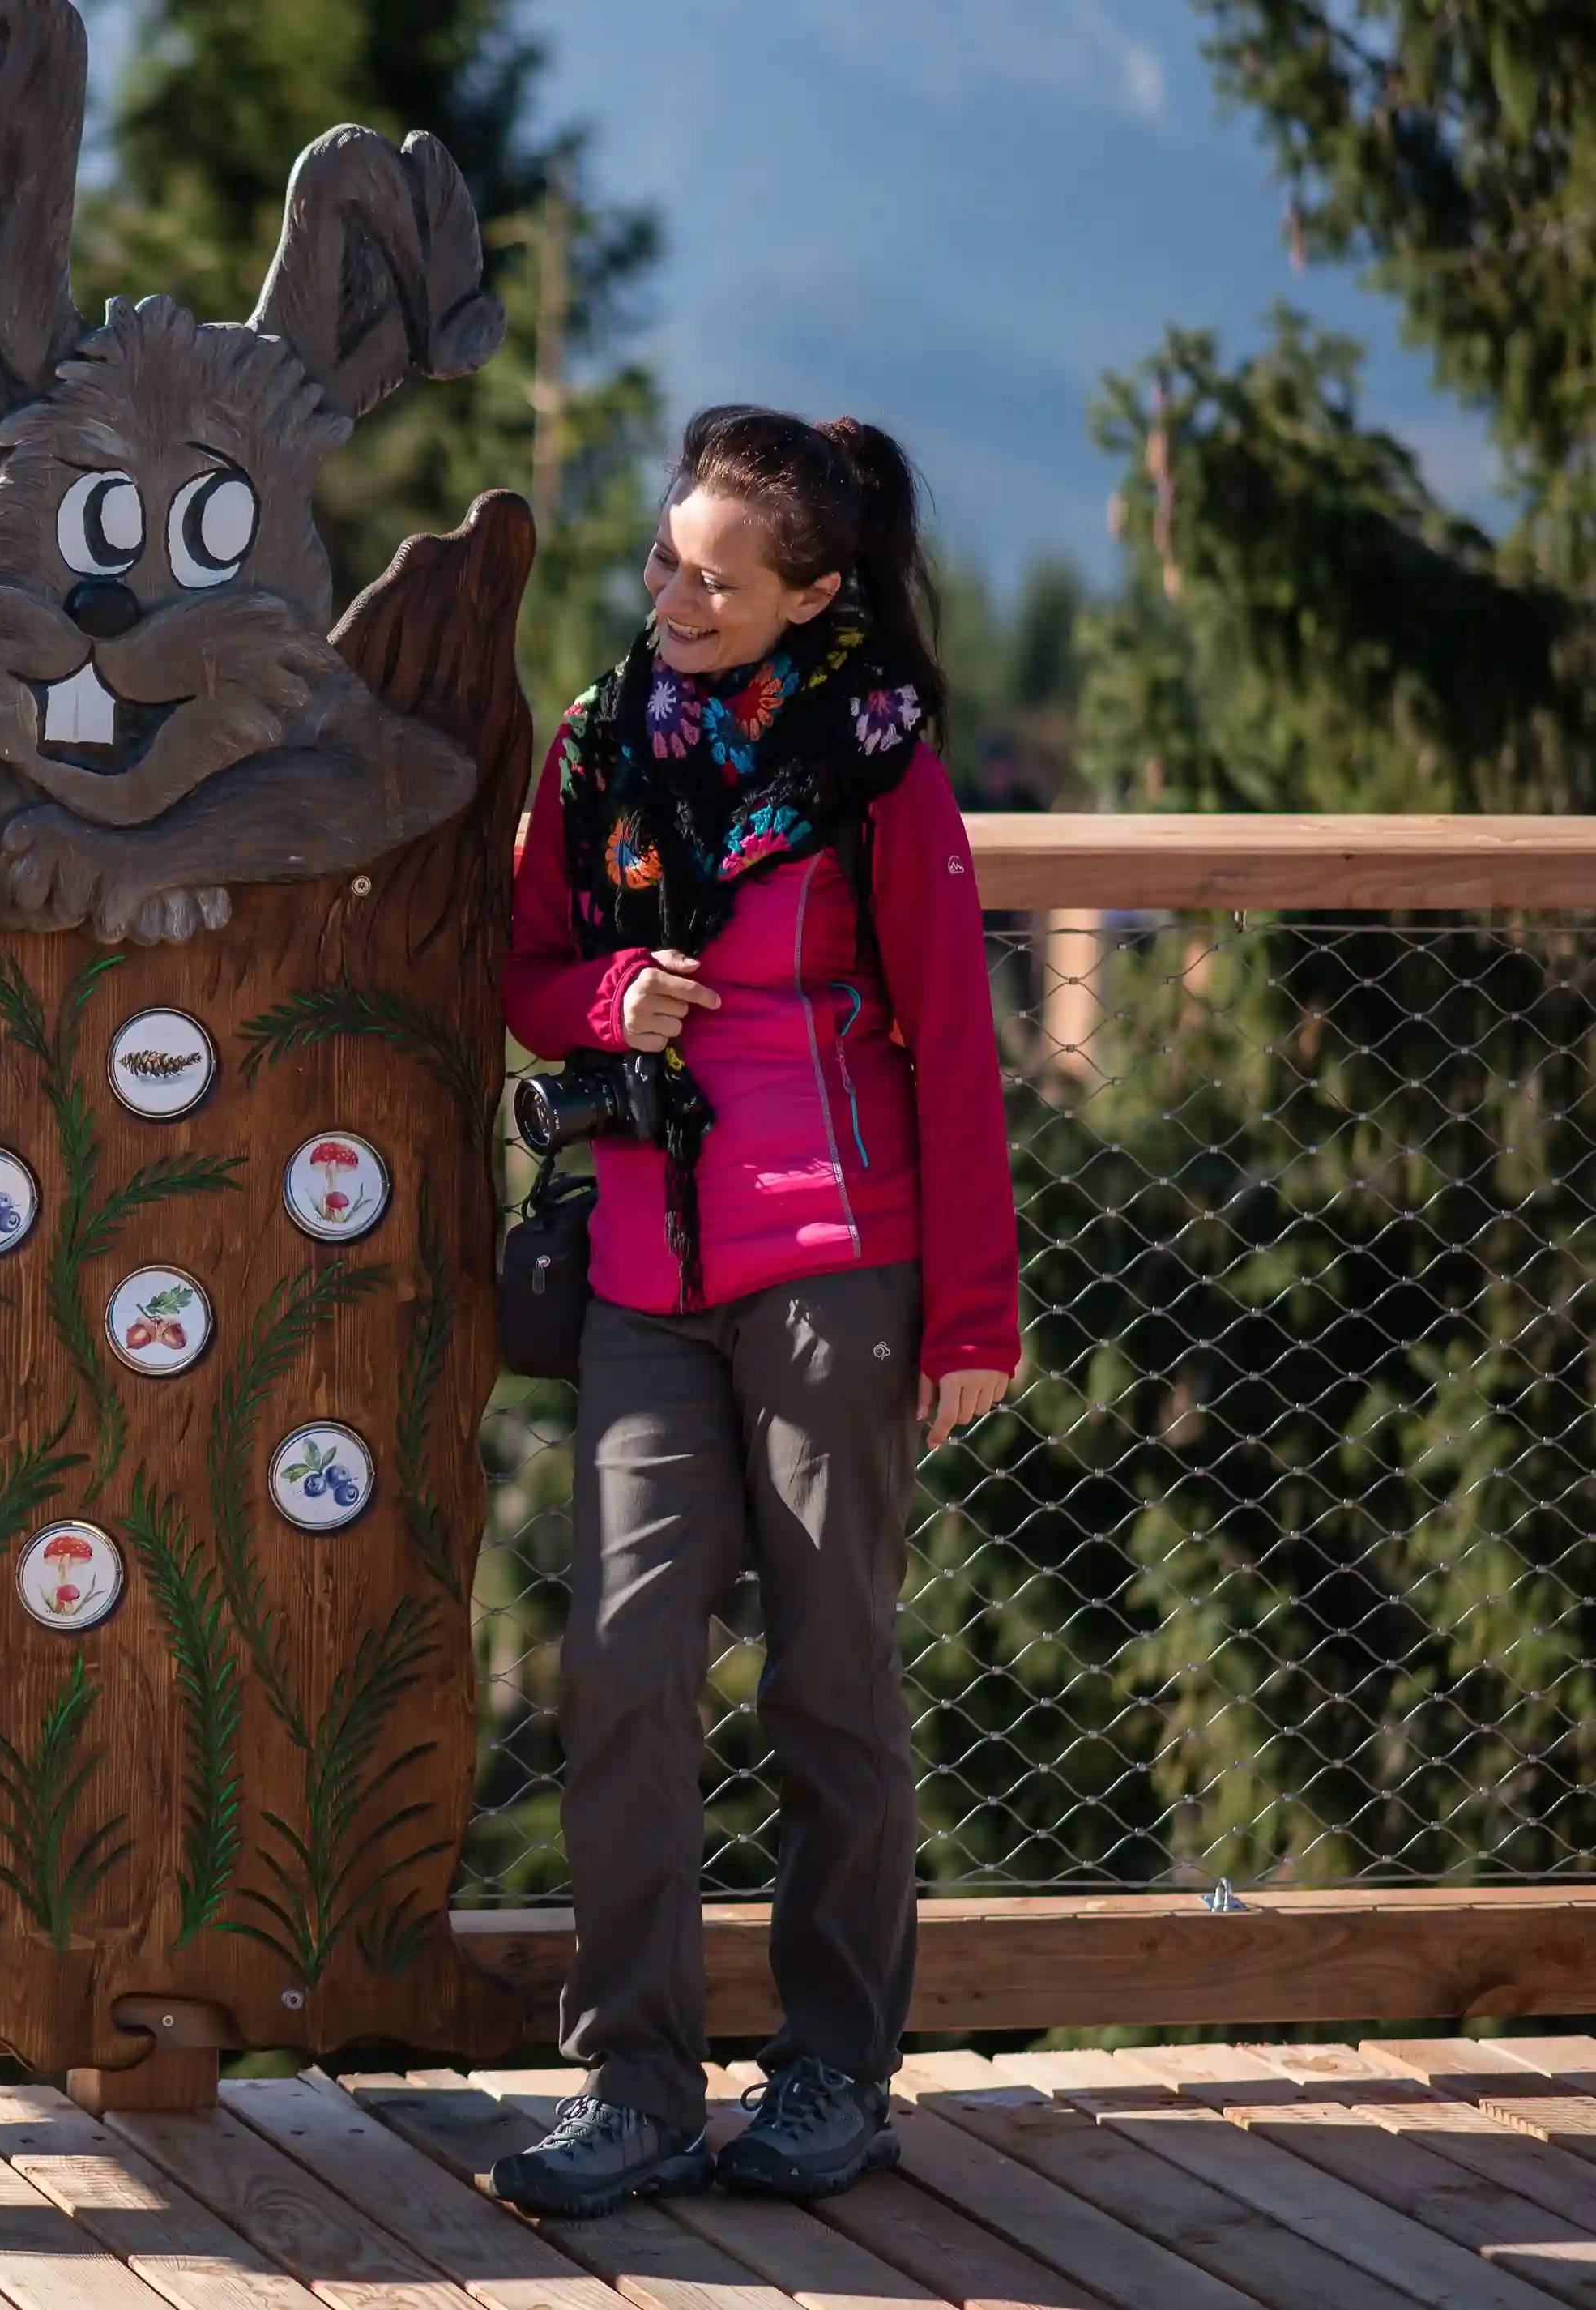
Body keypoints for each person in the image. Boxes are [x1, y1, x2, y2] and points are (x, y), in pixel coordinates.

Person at [491, 408, 1022, 2217]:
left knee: (827, 1682)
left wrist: (971, 1316)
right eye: (662, 562)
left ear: (811, 592)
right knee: (621, 1674)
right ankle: (627, 2087)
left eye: (715, 580)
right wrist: (601, 1001)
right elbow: (524, 970)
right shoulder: (592, 742)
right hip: (644, 1277)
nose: (672, 596)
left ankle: (830, 2076)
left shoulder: (880, 764)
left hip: (841, 1278)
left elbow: (953, 1040)